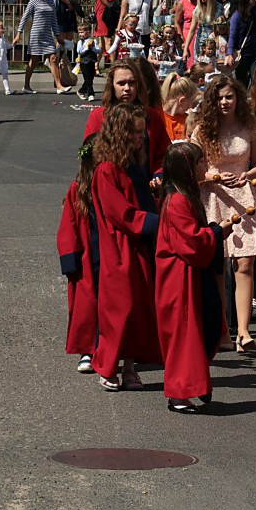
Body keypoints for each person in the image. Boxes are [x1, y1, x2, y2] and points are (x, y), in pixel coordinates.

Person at [155, 142, 233, 413]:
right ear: (187, 168)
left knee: (196, 332)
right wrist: (216, 232)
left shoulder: (183, 196)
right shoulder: (177, 201)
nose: (204, 167)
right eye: (200, 162)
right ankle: (179, 394)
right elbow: (190, 242)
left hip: (187, 275)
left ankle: (195, 387)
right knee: (184, 336)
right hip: (179, 279)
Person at [91, 103, 163, 391]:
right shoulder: (106, 170)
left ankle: (130, 367)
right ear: (119, 134)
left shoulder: (135, 166)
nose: (140, 136)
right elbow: (122, 214)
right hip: (118, 246)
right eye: (134, 132)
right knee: (119, 308)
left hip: (138, 245)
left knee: (139, 307)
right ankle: (108, 366)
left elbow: (141, 205)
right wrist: (162, 222)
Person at [191, 76, 256, 351]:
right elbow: (194, 168)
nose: (225, 102)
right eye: (220, 97)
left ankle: (243, 331)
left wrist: (247, 174)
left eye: (229, 97)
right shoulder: (201, 130)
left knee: (244, 264)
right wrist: (212, 174)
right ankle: (222, 329)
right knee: (218, 265)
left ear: (238, 100)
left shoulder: (250, 127)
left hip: (244, 197)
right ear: (212, 101)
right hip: (213, 196)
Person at [57, 136, 100, 374]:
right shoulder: (77, 189)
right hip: (85, 257)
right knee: (85, 305)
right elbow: (68, 226)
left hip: (109, 254)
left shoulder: (113, 184)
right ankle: (87, 349)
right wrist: (70, 258)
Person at [83, 61, 170, 174]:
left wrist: (159, 174)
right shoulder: (98, 116)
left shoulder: (152, 116)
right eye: (121, 83)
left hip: (146, 186)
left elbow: (164, 154)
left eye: (132, 82)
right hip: (109, 182)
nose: (127, 88)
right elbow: (89, 156)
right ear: (112, 85)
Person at [12, 0, 63, 95]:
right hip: (36, 35)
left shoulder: (51, 3)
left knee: (53, 58)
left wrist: (58, 36)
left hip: (47, 35)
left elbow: (54, 21)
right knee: (34, 61)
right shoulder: (33, 2)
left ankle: (59, 85)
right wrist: (18, 34)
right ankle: (26, 85)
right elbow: (24, 18)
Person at [227, 0, 256, 85]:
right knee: (241, 80)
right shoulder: (236, 17)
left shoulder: (254, 15)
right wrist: (230, 54)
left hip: (253, 53)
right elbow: (232, 35)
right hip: (241, 54)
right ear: (245, 0)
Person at [74, 23, 103, 102]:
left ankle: (81, 91)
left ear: (88, 32)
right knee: (87, 79)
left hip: (92, 61)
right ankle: (91, 94)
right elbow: (79, 51)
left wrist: (92, 47)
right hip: (83, 62)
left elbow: (99, 50)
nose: (80, 34)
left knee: (90, 78)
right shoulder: (80, 42)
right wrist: (87, 47)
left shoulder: (93, 41)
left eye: (82, 32)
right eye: (79, 32)